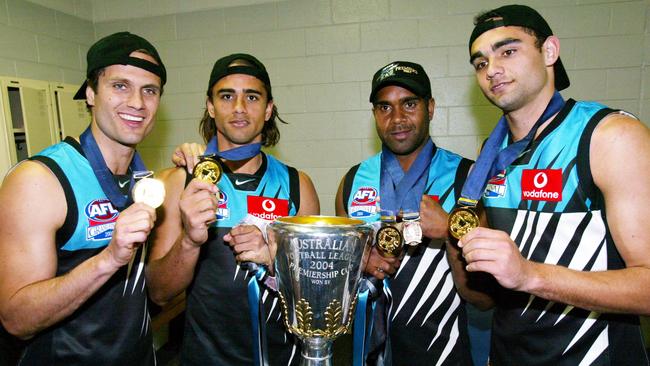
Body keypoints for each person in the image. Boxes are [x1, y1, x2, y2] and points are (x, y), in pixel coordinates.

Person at [457, 4, 650, 365]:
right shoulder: (491, 151)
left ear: (549, 51)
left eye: (508, 51)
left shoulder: (609, 136)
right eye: (480, 63)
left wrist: (529, 275)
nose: (492, 70)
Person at [0, 32, 165, 365]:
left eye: (150, 90)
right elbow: (16, 320)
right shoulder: (39, 181)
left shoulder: (143, 178)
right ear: (90, 93)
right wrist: (109, 258)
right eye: (120, 86)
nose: (137, 102)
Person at [147, 53, 320, 365]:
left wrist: (275, 259)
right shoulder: (182, 181)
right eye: (227, 96)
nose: (239, 108)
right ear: (211, 106)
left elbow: (317, 291)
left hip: (284, 357)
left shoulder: (298, 185)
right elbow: (159, 293)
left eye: (251, 97)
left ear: (268, 109)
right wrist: (190, 239)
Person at [335, 61, 480, 365]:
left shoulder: (467, 178)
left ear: (430, 107)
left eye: (409, 104)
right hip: (366, 353)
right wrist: (358, 261)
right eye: (385, 107)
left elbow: (481, 297)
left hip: (443, 354)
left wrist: (452, 232)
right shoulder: (352, 181)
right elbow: (338, 286)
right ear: (374, 114)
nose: (397, 118)